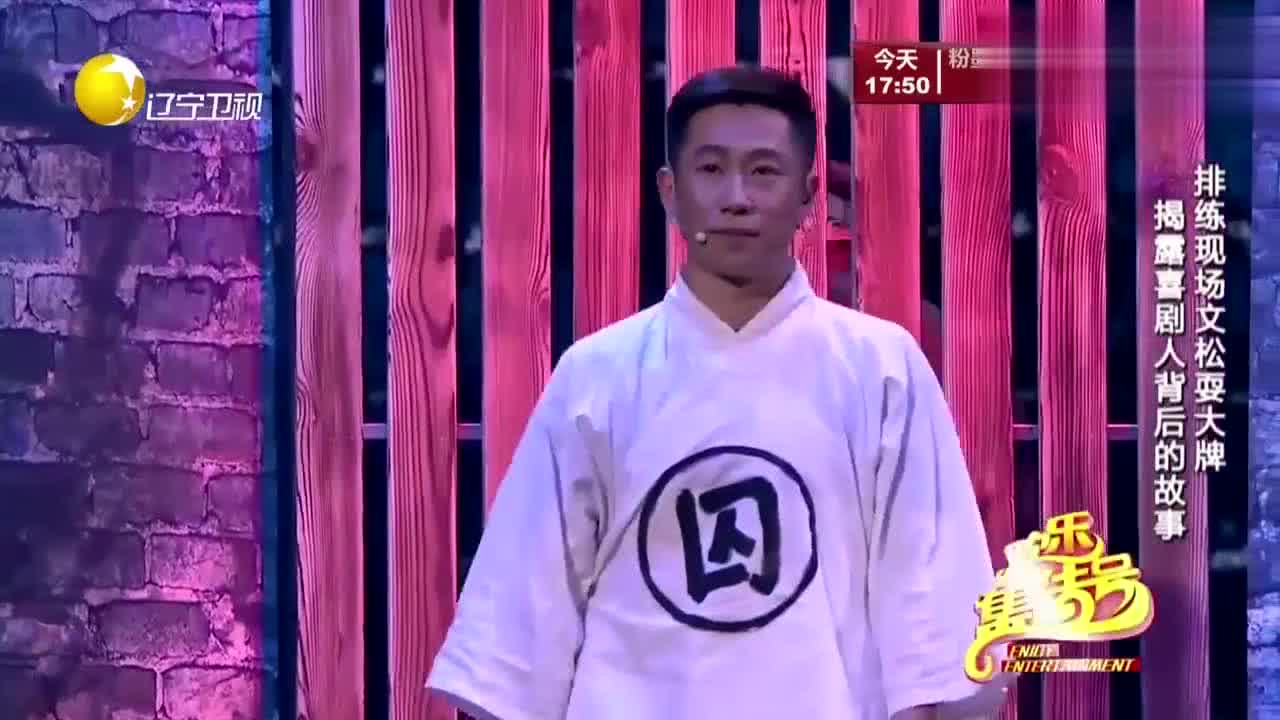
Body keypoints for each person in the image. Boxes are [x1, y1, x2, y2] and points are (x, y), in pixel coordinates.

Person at [426, 65, 1011, 720]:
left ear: (809, 193)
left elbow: (929, 613)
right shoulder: (595, 376)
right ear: (670, 191)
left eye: (764, 171)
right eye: (710, 170)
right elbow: (519, 632)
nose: (737, 197)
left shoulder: (880, 367)